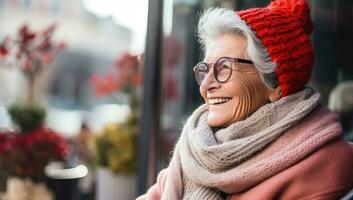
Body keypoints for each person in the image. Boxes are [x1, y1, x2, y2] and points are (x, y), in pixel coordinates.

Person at [138, 0, 353, 199]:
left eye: (224, 68)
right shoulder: (196, 149)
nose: (205, 85)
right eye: (204, 70)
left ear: (275, 84)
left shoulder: (326, 163)